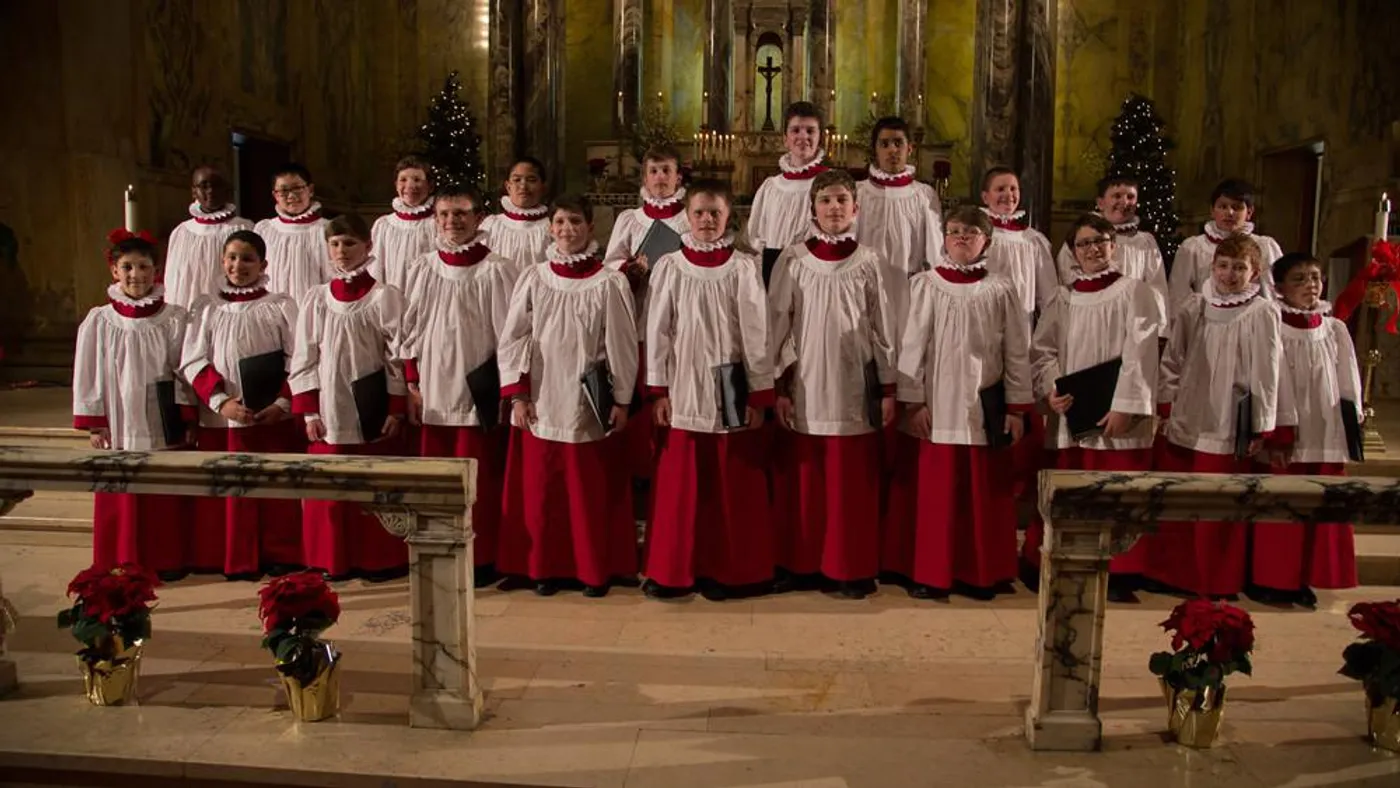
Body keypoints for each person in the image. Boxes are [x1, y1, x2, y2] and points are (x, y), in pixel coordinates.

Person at [881, 206, 1031, 600]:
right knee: (935, 497)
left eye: (971, 232)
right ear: (944, 238)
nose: (962, 238)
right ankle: (930, 571)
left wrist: (1016, 408)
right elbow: (911, 347)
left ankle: (980, 572)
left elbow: (1016, 350)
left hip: (985, 404)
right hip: (937, 404)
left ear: (988, 241)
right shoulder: (926, 285)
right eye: (954, 232)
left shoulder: (1001, 288)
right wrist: (914, 404)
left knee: (981, 495)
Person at [496, 195, 639, 597]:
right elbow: (513, 339)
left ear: (590, 228)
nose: (567, 229)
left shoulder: (609, 282)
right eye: (560, 222)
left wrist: (622, 400)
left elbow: (622, 346)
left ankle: (592, 570)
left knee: (586, 492)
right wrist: (518, 394)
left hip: (586, 402)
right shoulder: (534, 277)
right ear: (550, 227)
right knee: (543, 494)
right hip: (541, 398)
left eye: (575, 222)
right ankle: (544, 568)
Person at [642, 180, 775, 601]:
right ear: (686, 215)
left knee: (729, 484)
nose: (706, 220)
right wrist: (659, 390)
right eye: (699, 212)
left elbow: (756, 335)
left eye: (715, 213)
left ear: (728, 216)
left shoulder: (742, 267)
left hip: (730, 384)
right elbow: (658, 330)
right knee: (681, 486)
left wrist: (758, 395)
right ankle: (672, 570)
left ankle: (733, 572)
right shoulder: (670, 267)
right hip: (683, 384)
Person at [768, 169, 896, 600]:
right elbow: (776, 325)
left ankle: (850, 566)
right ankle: (801, 562)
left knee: (849, 485)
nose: (835, 208)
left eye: (843, 200)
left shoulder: (870, 261)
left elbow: (884, 330)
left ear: (856, 209)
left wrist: (890, 388)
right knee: (805, 483)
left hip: (853, 386)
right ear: (813, 210)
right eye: (826, 201)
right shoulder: (793, 259)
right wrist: (779, 387)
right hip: (805, 383)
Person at [1022, 215, 1162, 601]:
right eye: (1084, 244)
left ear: (1113, 246)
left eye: (1100, 241)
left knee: (1116, 492)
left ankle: (1121, 571)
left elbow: (1141, 352)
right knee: (1069, 492)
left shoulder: (1135, 292)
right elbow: (1042, 350)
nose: (1093, 249)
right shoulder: (1062, 297)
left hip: (1117, 415)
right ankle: (1053, 561)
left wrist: (1125, 406)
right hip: (1072, 413)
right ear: (1072, 252)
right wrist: (1051, 390)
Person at [1147, 234, 1281, 598]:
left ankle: (1217, 579)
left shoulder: (1262, 312)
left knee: (1222, 503)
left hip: (1230, 417)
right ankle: (1176, 574)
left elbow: (1268, 372)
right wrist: (1166, 403)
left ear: (1255, 273)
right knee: (1184, 499)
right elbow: (1173, 358)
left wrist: (1260, 424)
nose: (1229, 274)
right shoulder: (1195, 306)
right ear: (1212, 267)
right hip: (1190, 412)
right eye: (1223, 266)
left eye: (1240, 268)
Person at [400, 184, 517, 587]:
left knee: (478, 479)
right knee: (436, 478)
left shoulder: (498, 269)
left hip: (478, 388)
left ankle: (482, 557)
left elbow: (511, 335)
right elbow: (408, 331)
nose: (452, 222)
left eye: (461, 214)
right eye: (445, 214)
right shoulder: (422, 267)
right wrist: (412, 385)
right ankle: (438, 552)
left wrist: (507, 390)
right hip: (433, 388)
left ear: (479, 218)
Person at [289, 213, 409, 581]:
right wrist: (309, 411)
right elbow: (304, 356)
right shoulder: (317, 298)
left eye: (350, 243)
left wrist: (396, 406)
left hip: (371, 402)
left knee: (373, 486)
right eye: (335, 244)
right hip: (330, 404)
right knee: (331, 489)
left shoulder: (384, 297)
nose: (342, 251)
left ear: (368, 247)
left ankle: (378, 559)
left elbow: (397, 355)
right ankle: (332, 559)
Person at [74, 229, 196, 580]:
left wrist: (187, 413)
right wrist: (96, 421)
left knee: (162, 488)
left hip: (162, 413)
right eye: (127, 267)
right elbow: (88, 372)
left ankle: (166, 560)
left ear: (156, 272)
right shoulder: (100, 320)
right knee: (123, 489)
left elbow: (185, 367)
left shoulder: (175, 317)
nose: (135, 276)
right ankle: (122, 558)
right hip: (120, 415)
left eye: (143, 267)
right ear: (115, 271)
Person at [180, 230, 302, 579]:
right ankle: (236, 557)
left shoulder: (280, 304)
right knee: (233, 489)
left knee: (273, 488)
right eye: (232, 257)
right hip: (226, 417)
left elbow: (299, 358)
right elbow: (193, 360)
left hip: (270, 417)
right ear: (222, 261)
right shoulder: (206, 307)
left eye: (247, 258)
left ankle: (281, 554)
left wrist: (282, 401)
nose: (238, 265)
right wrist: (221, 402)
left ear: (263, 264)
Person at [1249, 252, 1362, 606]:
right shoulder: (1272, 326)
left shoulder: (1335, 328)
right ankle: (1273, 579)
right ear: (1279, 288)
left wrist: (1352, 422)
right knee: (1282, 507)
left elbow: (1349, 381)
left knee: (1320, 507)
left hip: (1325, 431)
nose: (1310, 285)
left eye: (1314, 277)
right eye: (1299, 279)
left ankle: (1306, 577)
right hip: (1288, 428)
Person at [979, 166, 1055, 500]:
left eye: (1013, 189)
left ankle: (1019, 492)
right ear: (985, 196)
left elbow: (1049, 299)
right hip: (981, 336)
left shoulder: (1033, 241)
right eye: (1000, 189)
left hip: (1022, 336)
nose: (1008, 196)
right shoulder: (974, 235)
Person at [854, 116, 943, 328]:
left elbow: (935, 250)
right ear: (875, 150)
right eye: (884, 144)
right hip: (866, 287)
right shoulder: (859, 193)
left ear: (910, 148)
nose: (892, 150)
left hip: (908, 286)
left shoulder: (923, 195)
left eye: (898, 143)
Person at [1052, 176, 1167, 328]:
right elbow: (1066, 277)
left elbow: (1157, 288)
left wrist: (1160, 327)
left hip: (1132, 320)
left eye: (1131, 197)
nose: (1124, 202)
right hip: (1089, 318)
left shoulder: (1145, 242)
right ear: (1100, 203)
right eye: (1117, 196)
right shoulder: (1082, 237)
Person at [1167, 178, 1285, 325]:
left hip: (1251, 323)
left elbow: (1273, 291)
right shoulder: (1193, 247)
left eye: (1237, 207)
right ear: (1212, 210)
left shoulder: (1265, 246)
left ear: (1249, 212)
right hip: (1207, 323)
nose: (1229, 212)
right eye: (1222, 206)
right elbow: (1178, 292)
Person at [746, 101, 829, 284]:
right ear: (785, 138)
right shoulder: (771, 187)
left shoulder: (830, 183)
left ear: (820, 137)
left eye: (810, 131)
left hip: (816, 275)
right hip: (776, 272)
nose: (803, 136)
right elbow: (756, 236)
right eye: (795, 130)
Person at [164, 166, 254, 309]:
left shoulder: (244, 228)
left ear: (228, 191)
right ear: (194, 191)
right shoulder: (181, 232)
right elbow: (173, 281)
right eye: (204, 186)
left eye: (217, 185)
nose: (211, 191)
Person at [254, 163, 331, 303]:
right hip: (272, 310)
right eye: (283, 191)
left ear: (310, 190)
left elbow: (333, 275)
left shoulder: (326, 229)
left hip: (313, 309)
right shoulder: (265, 230)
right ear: (275, 195)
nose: (291, 195)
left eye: (297, 188)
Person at [370, 155, 437, 294]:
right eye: (403, 180)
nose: (410, 185)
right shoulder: (384, 225)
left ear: (430, 186)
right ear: (396, 185)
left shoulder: (436, 224)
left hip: (427, 296)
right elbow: (375, 269)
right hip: (393, 297)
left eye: (417, 180)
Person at [481, 157, 552, 275]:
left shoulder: (551, 227)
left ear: (543, 187)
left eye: (531, 179)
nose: (523, 186)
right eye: (517, 180)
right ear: (508, 187)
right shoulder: (492, 225)